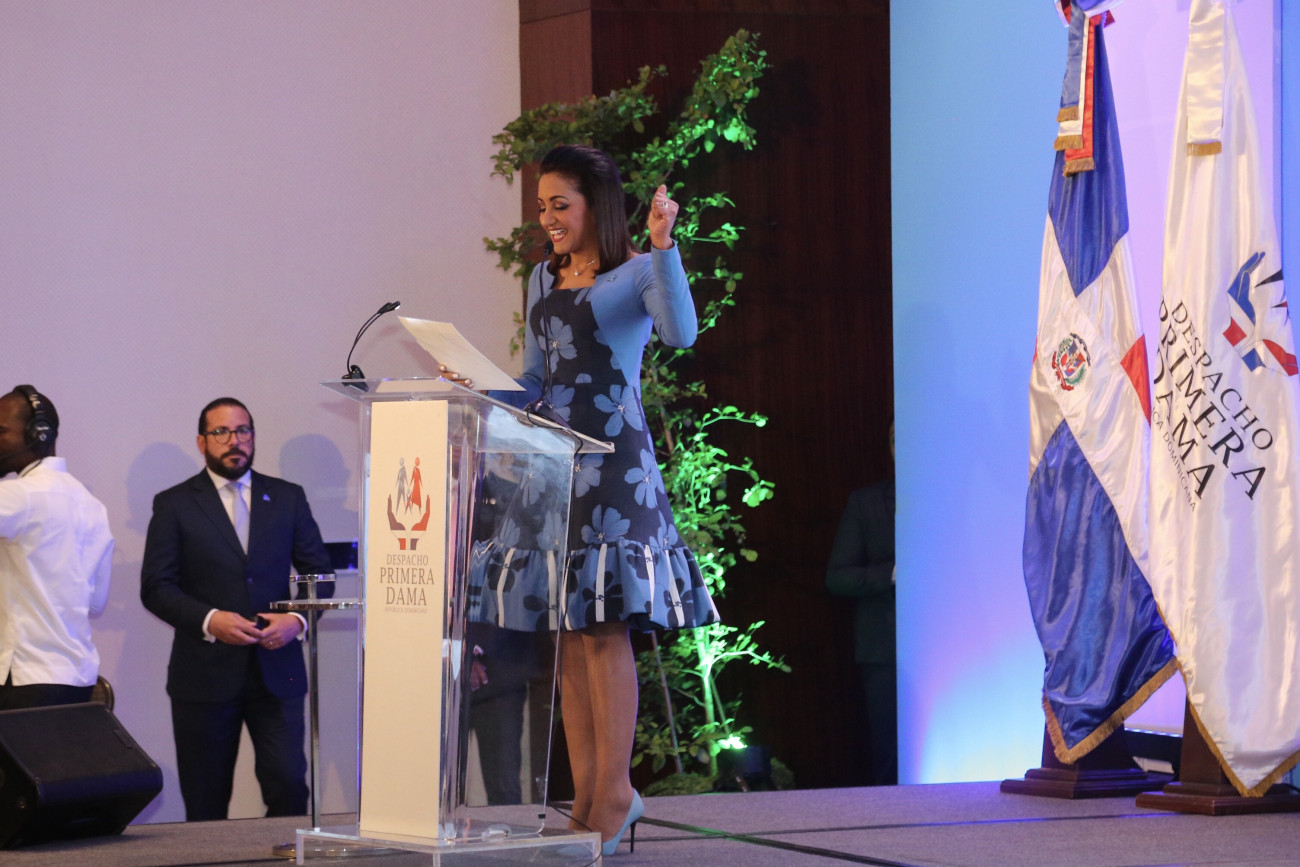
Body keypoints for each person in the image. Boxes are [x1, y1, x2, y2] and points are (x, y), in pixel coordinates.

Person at [445, 145, 717, 854]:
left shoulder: (638, 272)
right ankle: (590, 792)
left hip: (615, 466)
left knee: (604, 628)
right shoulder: (541, 277)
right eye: (542, 207)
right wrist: (478, 385)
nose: (548, 218)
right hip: (555, 467)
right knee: (567, 631)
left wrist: (665, 246)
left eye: (559, 204)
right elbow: (537, 379)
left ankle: (617, 791)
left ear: (595, 204)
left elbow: (681, 334)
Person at [140, 397, 333, 821]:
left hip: (277, 672)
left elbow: (319, 574)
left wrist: (296, 620)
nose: (234, 441)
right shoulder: (174, 504)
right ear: (202, 442)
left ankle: (283, 853)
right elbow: (156, 587)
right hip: (203, 678)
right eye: (221, 432)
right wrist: (210, 621)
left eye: (243, 431)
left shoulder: (287, 497)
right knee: (205, 802)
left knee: (289, 786)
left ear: (253, 437)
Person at [0, 385, 114, 711]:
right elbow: (96, 602)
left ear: (38, 434)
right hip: (76, 681)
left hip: (25, 679)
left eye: (1, 432)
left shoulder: (19, 496)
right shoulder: (92, 506)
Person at [825, 424, 897, 786]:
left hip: (953, 649)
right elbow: (837, 577)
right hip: (884, 648)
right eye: (897, 440)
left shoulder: (951, 502)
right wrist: (892, 574)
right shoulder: (865, 503)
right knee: (888, 751)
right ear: (890, 448)